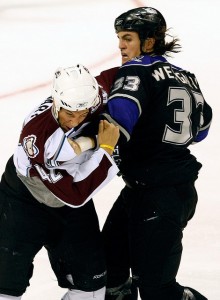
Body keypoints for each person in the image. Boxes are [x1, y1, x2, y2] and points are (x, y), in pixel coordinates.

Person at [95, 7, 212, 300]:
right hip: (154, 190)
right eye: (120, 38)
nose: (121, 45)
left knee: (157, 291)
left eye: (128, 38)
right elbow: (201, 130)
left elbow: (119, 121)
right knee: (110, 271)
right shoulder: (187, 76)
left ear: (149, 41)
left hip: (160, 196)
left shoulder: (135, 71)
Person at [0, 64, 120, 300]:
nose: (75, 121)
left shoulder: (91, 95)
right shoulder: (38, 139)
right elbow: (75, 194)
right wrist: (105, 147)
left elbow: (118, 75)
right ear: (55, 101)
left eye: (82, 114)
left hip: (68, 202)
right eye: (69, 114)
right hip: (24, 202)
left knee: (92, 290)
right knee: (4, 290)